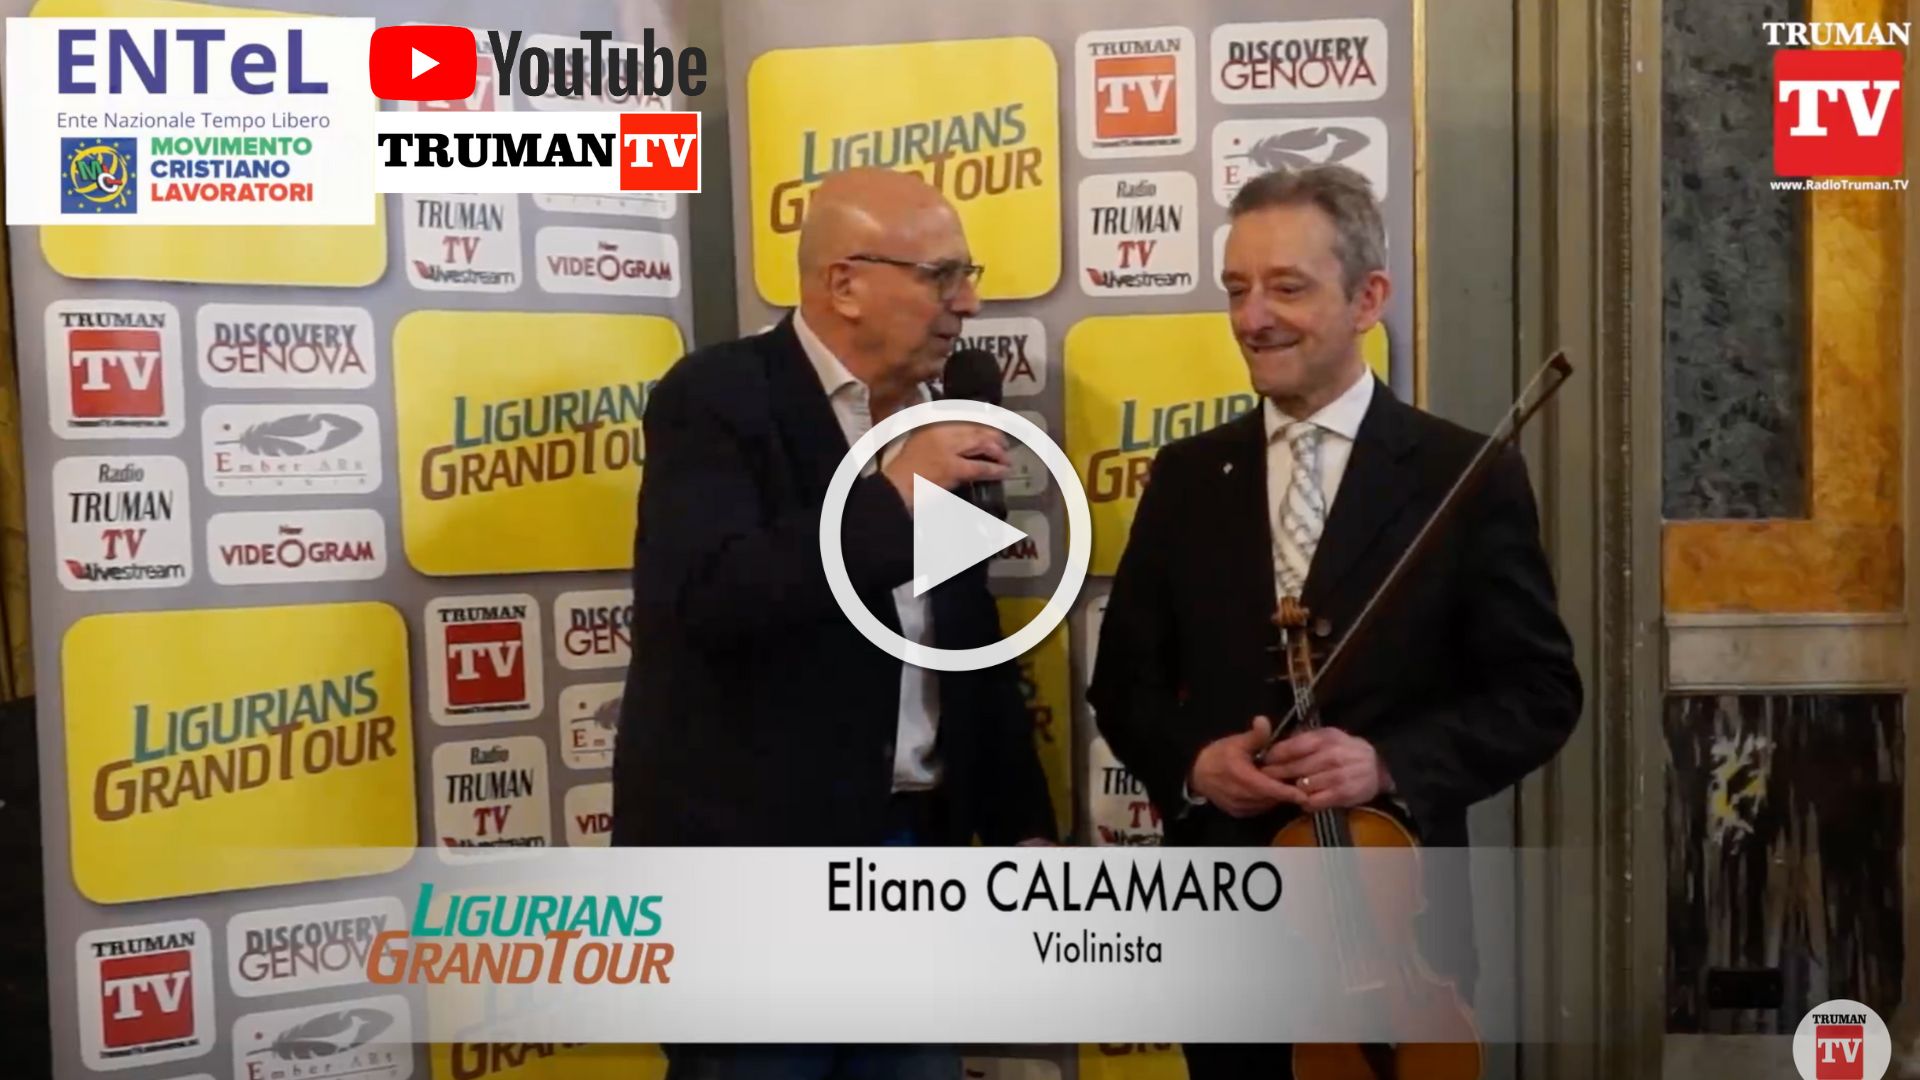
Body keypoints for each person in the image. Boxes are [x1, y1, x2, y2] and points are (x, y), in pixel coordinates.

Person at [1086, 164, 1583, 1079]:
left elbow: (1539, 692)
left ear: (1368, 299)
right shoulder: (1188, 476)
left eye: (1286, 288)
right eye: (1237, 288)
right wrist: (1195, 765)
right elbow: (1124, 683)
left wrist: (1388, 764)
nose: (1252, 318)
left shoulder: (1463, 474)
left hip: (1396, 929)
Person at [613, 167, 1057, 1079]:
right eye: (941, 275)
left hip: (913, 856)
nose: (969, 303)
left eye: (967, 274)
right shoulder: (716, 398)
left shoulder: (951, 411)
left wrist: (1022, 826)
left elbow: (966, 633)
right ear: (844, 283)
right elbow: (710, 600)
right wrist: (893, 495)